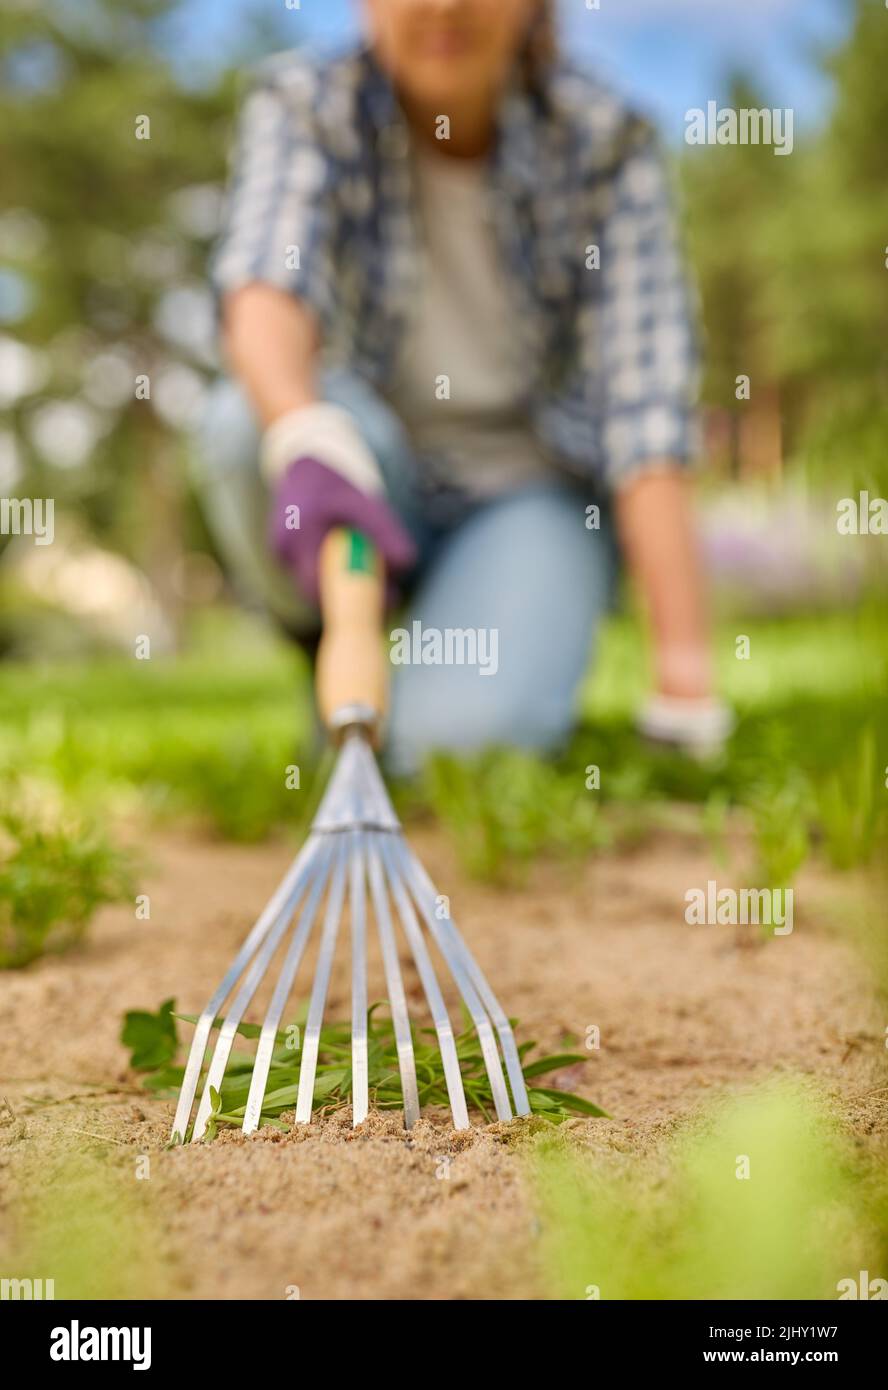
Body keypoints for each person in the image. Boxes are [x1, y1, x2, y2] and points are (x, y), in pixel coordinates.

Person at [193, 0, 732, 773]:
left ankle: (400, 709)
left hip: (526, 491)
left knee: (454, 751)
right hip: (374, 467)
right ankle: (333, 648)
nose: (444, 5)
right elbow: (265, 288)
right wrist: (303, 428)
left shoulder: (606, 138)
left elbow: (645, 415)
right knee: (243, 424)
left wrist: (684, 676)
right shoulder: (309, 103)